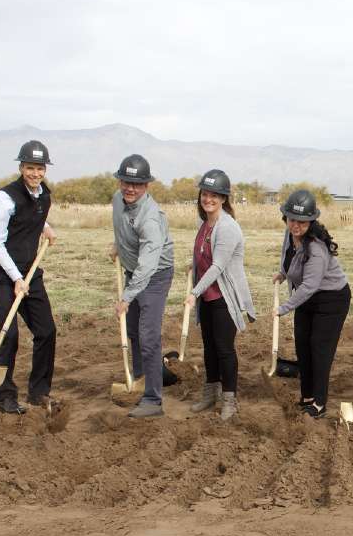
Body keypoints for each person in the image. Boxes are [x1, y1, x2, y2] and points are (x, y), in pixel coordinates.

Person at [0, 140, 59, 414]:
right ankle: (5, 396)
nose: (35, 174)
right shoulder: (3, 198)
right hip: (5, 275)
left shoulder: (44, 195)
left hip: (30, 271)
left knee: (46, 330)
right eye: (30, 168)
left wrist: (46, 228)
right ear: (21, 167)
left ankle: (39, 393)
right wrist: (16, 278)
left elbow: (32, 216)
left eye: (39, 168)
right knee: (10, 334)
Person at [184, 169, 256, 421]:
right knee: (209, 348)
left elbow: (218, 266)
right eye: (205, 194)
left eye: (215, 195)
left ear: (224, 198)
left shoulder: (228, 227)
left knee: (224, 349)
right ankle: (210, 393)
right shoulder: (204, 223)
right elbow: (205, 256)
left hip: (225, 299)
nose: (208, 199)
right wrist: (194, 265)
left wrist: (194, 292)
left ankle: (229, 399)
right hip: (208, 297)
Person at [273, 190, 351, 419]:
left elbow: (309, 285)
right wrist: (283, 273)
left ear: (311, 220)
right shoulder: (289, 235)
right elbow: (287, 257)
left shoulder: (316, 248)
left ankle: (319, 403)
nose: (295, 225)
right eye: (291, 219)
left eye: (301, 221)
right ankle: (306, 396)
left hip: (331, 299)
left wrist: (283, 308)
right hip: (308, 297)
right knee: (303, 346)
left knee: (319, 348)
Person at [110, 154, 174, 418]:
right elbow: (122, 226)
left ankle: (153, 400)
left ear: (147, 186)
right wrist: (119, 245)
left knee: (148, 336)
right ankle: (141, 379)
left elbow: (148, 265)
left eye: (137, 184)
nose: (130, 188)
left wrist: (126, 297)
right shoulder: (117, 200)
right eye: (126, 181)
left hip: (155, 275)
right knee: (134, 332)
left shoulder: (150, 218)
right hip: (133, 270)